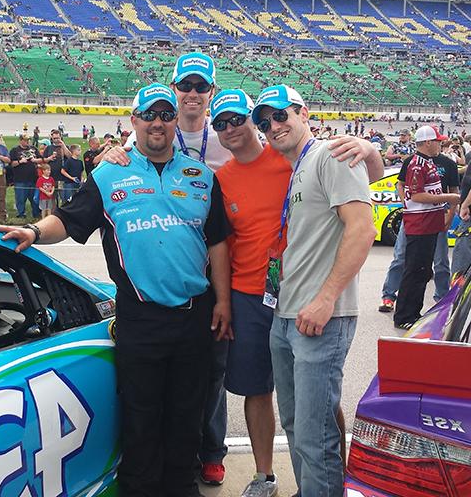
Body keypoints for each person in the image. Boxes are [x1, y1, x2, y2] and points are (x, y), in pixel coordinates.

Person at [0, 83, 231, 497]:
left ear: (176, 121)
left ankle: (179, 486)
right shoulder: (108, 174)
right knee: (141, 414)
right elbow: (68, 220)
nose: (158, 123)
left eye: (166, 115)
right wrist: (33, 230)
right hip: (140, 317)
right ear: (134, 121)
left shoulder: (202, 176)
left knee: (187, 414)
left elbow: (218, 242)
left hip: (196, 314)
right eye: (150, 115)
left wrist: (224, 302)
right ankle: (139, 488)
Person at [210, 89, 383, 497]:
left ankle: (329, 485)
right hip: (277, 305)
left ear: (304, 113)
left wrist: (368, 146)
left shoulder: (325, 154)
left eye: (280, 116)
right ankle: (300, 484)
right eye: (266, 120)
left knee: (314, 424)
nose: (274, 126)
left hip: (317, 310)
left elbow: (362, 220)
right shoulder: (295, 160)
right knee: (297, 421)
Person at [105, 52, 233, 484]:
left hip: (206, 286)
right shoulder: (134, 147)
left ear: (210, 93)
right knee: (150, 402)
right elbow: (112, 171)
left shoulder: (228, 132)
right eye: (186, 87)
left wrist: (364, 148)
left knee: (202, 387)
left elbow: (281, 153)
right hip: (146, 302)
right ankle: (147, 480)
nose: (193, 94)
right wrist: (110, 152)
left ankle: (208, 454)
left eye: (201, 87)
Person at [378, 130, 459, 312]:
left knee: (440, 262)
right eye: (437, 141)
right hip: (416, 217)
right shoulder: (414, 162)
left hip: (437, 215)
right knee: (401, 258)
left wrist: (450, 214)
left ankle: (441, 301)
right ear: (428, 143)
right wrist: (406, 204)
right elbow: (403, 185)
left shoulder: (447, 163)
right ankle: (388, 296)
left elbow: (454, 191)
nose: (440, 144)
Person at [9, 134, 42, 218]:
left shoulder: (33, 149)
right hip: (20, 179)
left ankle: (36, 213)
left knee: (34, 198)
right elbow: (12, 164)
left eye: (28, 140)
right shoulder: (15, 150)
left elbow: (41, 159)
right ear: (20, 140)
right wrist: (20, 161)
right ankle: (21, 214)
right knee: (20, 198)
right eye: (25, 140)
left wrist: (35, 160)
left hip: (33, 178)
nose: (27, 142)